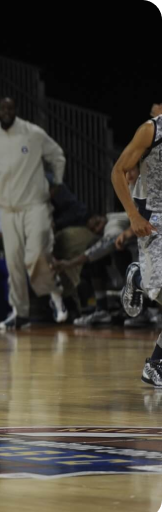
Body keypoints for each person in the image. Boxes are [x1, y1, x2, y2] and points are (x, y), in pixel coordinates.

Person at [0, 98, 68, 330]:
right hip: (7, 209)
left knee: (36, 255)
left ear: (16, 110)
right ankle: (20, 312)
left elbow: (57, 155)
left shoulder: (33, 133)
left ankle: (55, 294)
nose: (6, 111)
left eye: (10, 107)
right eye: (2, 107)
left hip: (35, 204)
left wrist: (57, 181)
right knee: (14, 263)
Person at [110, 108, 162, 386]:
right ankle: (138, 277)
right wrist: (132, 215)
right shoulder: (151, 130)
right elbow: (118, 171)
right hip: (153, 217)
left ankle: (155, 364)